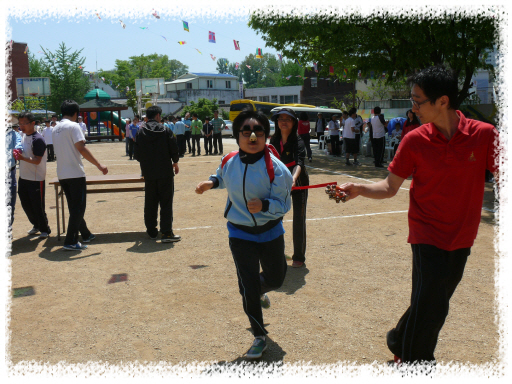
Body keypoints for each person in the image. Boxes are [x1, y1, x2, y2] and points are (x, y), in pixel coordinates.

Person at [336, 66, 499, 368]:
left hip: (463, 234)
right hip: (427, 235)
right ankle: (415, 364)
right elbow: (389, 187)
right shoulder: (414, 140)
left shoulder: (484, 135)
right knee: (432, 308)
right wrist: (358, 188)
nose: (413, 107)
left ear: (442, 101)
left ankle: (399, 337)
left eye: (417, 100)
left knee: (434, 300)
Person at [195, 108, 292, 359]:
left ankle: (262, 289)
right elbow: (222, 176)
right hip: (240, 234)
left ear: (266, 136)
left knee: (276, 278)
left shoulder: (278, 170)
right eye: (246, 131)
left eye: (258, 131)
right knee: (246, 285)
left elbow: (284, 205)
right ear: (237, 135)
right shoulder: (229, 160)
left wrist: (265, 206)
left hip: (270, 233)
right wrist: (211, 182)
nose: (252, 136)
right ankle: (259, 336)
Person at [52, 100, 108, 251]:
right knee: (78, 208)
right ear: (76, 113)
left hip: (62, 173)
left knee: (74, 207)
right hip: (75, 172)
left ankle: (86, 233)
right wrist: (99, 165)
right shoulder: (73, 126)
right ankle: (70, 241)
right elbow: (81, 148)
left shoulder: (55, 128)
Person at [134, 105, 181, 242]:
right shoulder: (166, 130)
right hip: (165, 172)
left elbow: (136, 154)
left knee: (150, 202)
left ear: (147, 117)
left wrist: (146, 163)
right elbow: (174, 148)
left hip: (149, 173)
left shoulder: (140, 132)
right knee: (166, 203)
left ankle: (152, 231)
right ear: (158, 116)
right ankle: (166, 233)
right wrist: (175, 162)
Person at [270, 108, 309, 268]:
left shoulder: (298, 141)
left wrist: (292, 179)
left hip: (298, 181)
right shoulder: (273, 140)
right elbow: (269, 161)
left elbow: (300, 162)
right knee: (275, 217)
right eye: (281, 119)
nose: (284, 121)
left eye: (288, 119)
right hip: (280, 182)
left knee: (299, 219)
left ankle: (298, 256)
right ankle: (276, 253)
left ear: (294, 123)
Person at [16, 112, 51, 238]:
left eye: (24, 123)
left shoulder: (38, 140)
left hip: (36, 178)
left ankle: (45, 229)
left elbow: (37, 160)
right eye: (20, 124)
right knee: (25, 204)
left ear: (32, 123)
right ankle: (36, 225)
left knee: (38, 205)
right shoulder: (23, 136)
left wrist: (22, 158)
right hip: (23, 177)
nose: (21, 126)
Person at [6, 123, 23, 234]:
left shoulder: (13, 134)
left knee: (10, 201)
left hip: (9, 171)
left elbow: (19, 144)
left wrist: (17, 150)